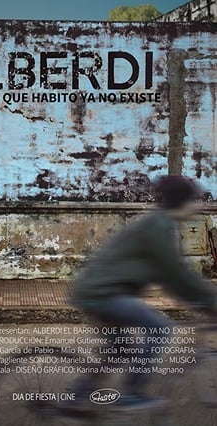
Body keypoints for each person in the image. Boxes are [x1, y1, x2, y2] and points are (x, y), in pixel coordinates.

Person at [70, 175, 217, 411]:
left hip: (95, 291)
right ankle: (131, 393)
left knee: (119, 349)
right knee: (161, 329)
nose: (201, 205)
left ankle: (74, 398)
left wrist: (200, 302)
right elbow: (176, 274)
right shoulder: (158, 226)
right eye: (196, 200)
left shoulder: (159, 223)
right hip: (104, 294)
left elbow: (171, 278)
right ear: (183, 202)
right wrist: (210, 302)